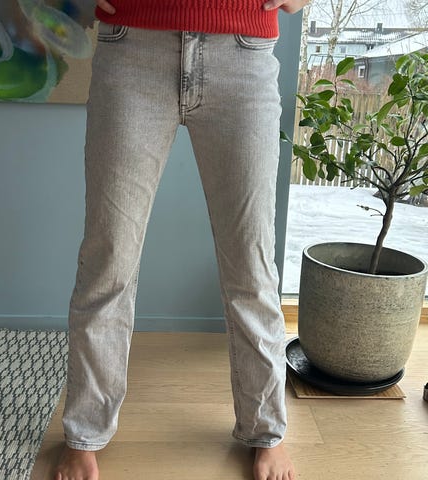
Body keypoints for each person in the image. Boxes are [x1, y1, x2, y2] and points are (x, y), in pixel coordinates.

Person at [55, 1, 309, 479]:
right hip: (132, 46)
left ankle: (265, 430)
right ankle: (85, 432)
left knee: (251, 263)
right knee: (109, 257)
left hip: (243, 51)